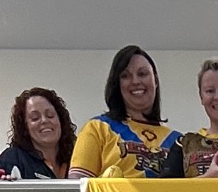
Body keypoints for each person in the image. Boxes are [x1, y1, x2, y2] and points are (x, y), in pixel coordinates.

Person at [68, 46, 184, 181]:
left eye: (142, 74)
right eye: (125, 76)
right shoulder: (98, 128)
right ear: (117, 84)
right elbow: (79, 186)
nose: (135, 81)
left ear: (156, 80)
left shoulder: (178, 140)